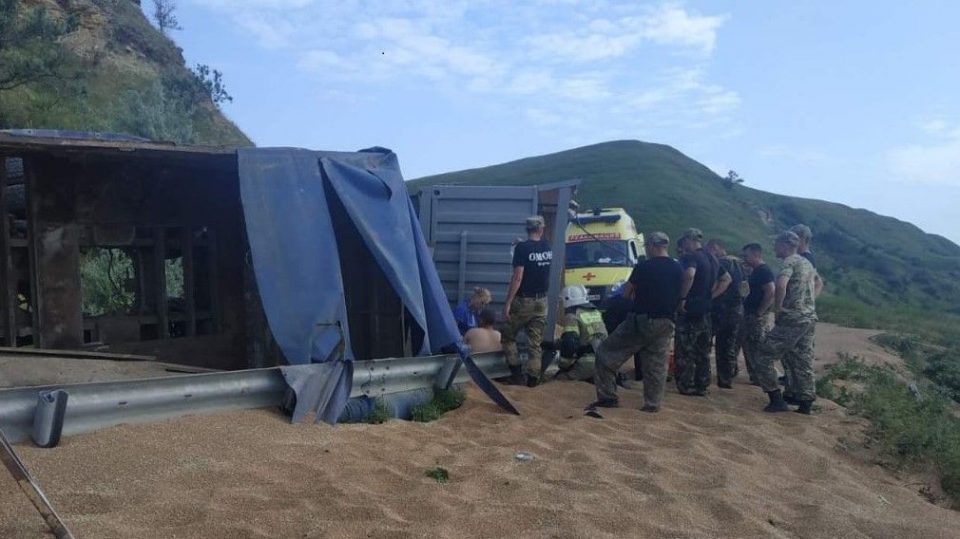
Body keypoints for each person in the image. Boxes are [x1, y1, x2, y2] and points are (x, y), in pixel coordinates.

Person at [589, 232, 684, 413]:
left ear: (652, 246)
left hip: (641, 320)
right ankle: (652, 404)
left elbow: (626, 293)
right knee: (656, 364)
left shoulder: (644, 267)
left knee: (606, 353)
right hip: (666, 322)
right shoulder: (677, 268)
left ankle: (608, 397)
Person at [754, 231, 823, 415]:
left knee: (762, 355)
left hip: (792, 318)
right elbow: (819, 283)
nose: (774, 247)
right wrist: (809, 304)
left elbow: (781, 284)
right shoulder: (807, 263)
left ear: (785, 245)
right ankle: (805, 402)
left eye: (776, 244)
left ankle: (776, 399)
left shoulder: (789, 262)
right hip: (808, 317)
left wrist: (778, 309)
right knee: (802, 359)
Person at [675, 228, 731, 396]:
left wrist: (683, 298)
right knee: (703, 350)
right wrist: (711, 296)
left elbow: (690, 275)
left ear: (688, 240)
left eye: (684, 241)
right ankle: (702, 384)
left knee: (685, 349)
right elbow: (727, 279)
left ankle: (686, 385)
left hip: (690, 309)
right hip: (706, 310)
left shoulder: (691, 257)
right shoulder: (712, 258)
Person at [501, 216, 553, 387]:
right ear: (541, 229)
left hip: (524, 300)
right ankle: (533, 380)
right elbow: (536, 256)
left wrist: (508, 302)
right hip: (542, 301)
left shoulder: (522, 248)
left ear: (527, 229)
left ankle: (516, 374)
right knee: (535, 342)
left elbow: (518, 277)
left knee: (508, 336)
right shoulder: (547, 246)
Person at [706, 239, 746, 389]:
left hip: (718, 309)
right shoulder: (740, 266)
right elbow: (745, 289)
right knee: (728, 346)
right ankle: (726, 379)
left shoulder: (720, 263)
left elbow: (717, 283)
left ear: (715, 247)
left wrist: (710, 296)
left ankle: (702, 375)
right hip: (736, 310)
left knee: (706, 342)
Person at [555, 285, 607, 382]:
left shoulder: (572, 316)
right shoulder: (596, 312)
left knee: (559, 380)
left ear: (567, 300)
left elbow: (569, 343)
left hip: (588, 363)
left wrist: (563, 365)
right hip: (605, 361)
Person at [740, 243, 776, 386]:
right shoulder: (755, 271)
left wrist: (760, 311)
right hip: (751, 313)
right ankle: (755, 375)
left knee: (756, 345)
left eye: (746, 255)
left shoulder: (763, 271)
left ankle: (761, 376)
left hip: (756, 316)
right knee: (748, 344)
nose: (745, 258)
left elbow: (771, 291)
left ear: (756, 255)